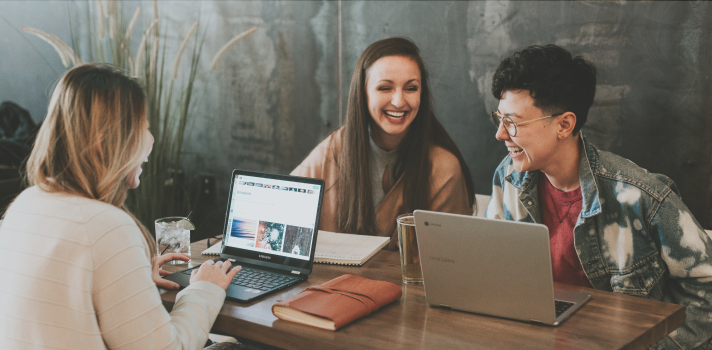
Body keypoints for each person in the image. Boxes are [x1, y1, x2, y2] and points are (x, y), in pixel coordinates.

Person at [485, 44, 712, 349]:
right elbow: (491, 269)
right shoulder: (509, 177)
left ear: (564, 125)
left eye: (512, 122)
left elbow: (705, 288)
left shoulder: (641, 195)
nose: (500, 133)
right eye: (499, 118)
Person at [0, 64, 241, 349]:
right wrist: (204, 289)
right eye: (144, 129)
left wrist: (130, 274)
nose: (150, 143)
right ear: (106, 143)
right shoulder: (106, 226)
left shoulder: (24, 205)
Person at [292, 37, 474, 250]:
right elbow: (281, 208)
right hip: (330, 283)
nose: (399, 101)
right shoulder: (333, 149)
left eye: (411, 88)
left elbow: (450, 260)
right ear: (363, 93)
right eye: (385, 88)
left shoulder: (444, 168)